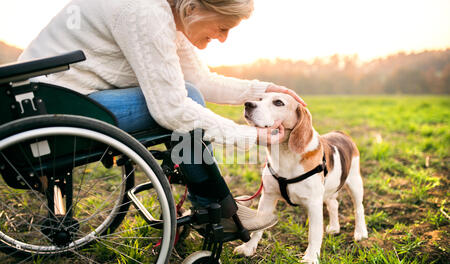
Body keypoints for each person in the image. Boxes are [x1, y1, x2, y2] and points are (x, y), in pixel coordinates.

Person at [19, 0, 306, 231]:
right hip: (53, 107)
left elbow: (201, 80)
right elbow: (172, 108)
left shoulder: (170, 15)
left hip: (38, 100)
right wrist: (248, 135)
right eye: (222, 27)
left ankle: (216, 203)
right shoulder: (145, 12)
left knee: (189, 94)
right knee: (186, 101)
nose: (222, 38)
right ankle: (215, 207)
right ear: (193, 8)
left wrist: (264, 88)